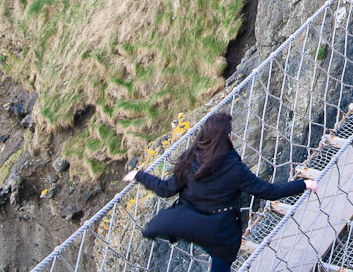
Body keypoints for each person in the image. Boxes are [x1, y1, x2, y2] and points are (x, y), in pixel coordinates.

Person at [123, 113, 317, 272]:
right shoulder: (234, 169)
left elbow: (165, 189)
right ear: (227, 138)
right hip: (220, 232)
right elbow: (268, 191)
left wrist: (139, 175)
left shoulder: (190, 159)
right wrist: (303, 184)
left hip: (189, 223)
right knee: (220, 264)